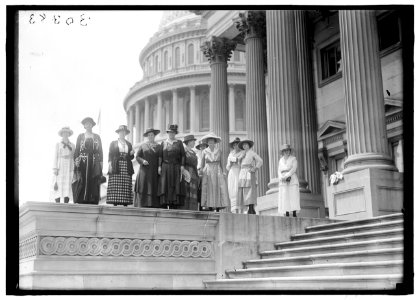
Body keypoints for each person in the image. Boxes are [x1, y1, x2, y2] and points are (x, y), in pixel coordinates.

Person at [73, 117, 103, 204]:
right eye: (86, 124)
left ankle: (92, 199)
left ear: (92, 125)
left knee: (94, 179)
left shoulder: (97, 137)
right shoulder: (80, 136)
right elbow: (77, 150)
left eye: (90, 123)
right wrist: (76, 160)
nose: (88, 125)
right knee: (82, 179)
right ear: (84, 126)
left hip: (94, 161)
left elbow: (100, 151)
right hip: (83, 161)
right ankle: (81, 199)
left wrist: (101, 163)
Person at [199, 133, 229, 212]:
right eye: (209, 142)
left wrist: (223, 171)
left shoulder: (219, 151)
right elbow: (202, 163)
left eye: (212, 141)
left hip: (217, 169)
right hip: (208, 170)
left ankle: (218, 205)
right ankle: (209, 205)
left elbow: (222, 162)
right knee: (208, 187)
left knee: (218, 186)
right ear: (207, 143)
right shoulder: (204, 151)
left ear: (215, 142)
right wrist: (201, 171)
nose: (211, 143)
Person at [106, 125, 135, 206]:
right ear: (118, 133)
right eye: (121, 132)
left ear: (126, 133)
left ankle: (125, 201)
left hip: (126, 164)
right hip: (116, 164)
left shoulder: (129, 144)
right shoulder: (113, 143)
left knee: (125, 182)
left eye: (124, 132)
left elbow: (131, 157)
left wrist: (132, 153)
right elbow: (110, 154)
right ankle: (115, 201)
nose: (122, 133)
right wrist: (109, 164)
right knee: (116, 182)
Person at [158, 124, 185, 209]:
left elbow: (183, 155)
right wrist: (159, 166)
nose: (171, 134)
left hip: (176, 166)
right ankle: (165, 203)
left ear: (175, 133)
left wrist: (182, 165)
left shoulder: (179, 143)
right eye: (170, 132)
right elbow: (160, 156)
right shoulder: (163, 143)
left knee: (175, 184)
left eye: (173, 132)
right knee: (165, 184)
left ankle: (174, 203)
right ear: (168, 133)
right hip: (165, 166)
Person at [134, 128, 162, 208]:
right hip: (144, 170)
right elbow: (137, 156)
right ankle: (143, 203)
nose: (150, 136)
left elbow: (160, 157)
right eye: (149, 135)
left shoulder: (159, 146)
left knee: (154, 186)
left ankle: (154, 204)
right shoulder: (143, 146)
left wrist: (159, 166)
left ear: (154, 136)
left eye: (152, 135)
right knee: (144, 186)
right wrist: (142, 161)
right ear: (147, 136)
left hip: (154, 170)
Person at [237, 139, 263, 214]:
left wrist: (255, 168)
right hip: (242, 173)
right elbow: (240, 165)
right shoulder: (242, 154)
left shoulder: (252, 153)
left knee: (251, 190)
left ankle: (252, 208)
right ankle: (248, 207)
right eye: (243, 145)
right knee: (244, 190)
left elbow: (260, 161)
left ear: (249, 145)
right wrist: (240, 158)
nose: (245, 146)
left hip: (249, 172)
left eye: (246, 144)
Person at [52, 126, 75, 203]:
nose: (65, 134)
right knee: (58, 182)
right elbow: (55, 156)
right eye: (64, 133)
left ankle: (66, 202)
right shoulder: (58, 144)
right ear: (62, 134)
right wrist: (55, 168)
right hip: (60, 164)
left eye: (67, 133)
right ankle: (57, 202)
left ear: (69, 134)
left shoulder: (72, 145)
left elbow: (73, 157)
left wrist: (73, 168)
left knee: (68, 182)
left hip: (69, 165)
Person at [278, 144, 300, 217]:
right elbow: (279, 170)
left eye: (288, 150)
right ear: (283, 152)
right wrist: (281, 177)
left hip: (292, 179)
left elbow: (293, 169)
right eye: (286, 150)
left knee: (293, 195)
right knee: (285, 196)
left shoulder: (293, 159)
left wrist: (287, 175)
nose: (287, 152)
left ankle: (294, 212)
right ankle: (286, 212)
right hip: (283, 180)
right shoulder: (281, 160)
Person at [179, 135, 199, 211]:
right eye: (193, 141)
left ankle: (192, 209)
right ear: (189, 142)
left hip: (193, 173)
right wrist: (184, 172)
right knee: (186, 190)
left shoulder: (193, 152)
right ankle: (185, 208)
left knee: (193, 191)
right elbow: (181, 162)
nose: (194, 142)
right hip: (186, 172)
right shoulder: (184, 151)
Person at [226, 137, 245, 213]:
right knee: (232, 189)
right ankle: (234, 209)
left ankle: (241, 209)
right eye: (234, 145)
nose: (235, 146)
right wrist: (231, 163)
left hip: (239, 171)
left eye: (237, 144)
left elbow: (241, 162)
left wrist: (236, 161)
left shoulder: (243, 152)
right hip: (232, 172)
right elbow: (227, 166)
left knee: (238, 189)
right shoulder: (231, 154)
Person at [195, 140, 208, 211]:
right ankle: (199, 206)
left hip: (206, 173)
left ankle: (207, 206)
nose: (202, 147)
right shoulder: (197, 155)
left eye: (204, 146)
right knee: (199, 190)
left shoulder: (208, 154)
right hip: (198, 173)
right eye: (201, 146)